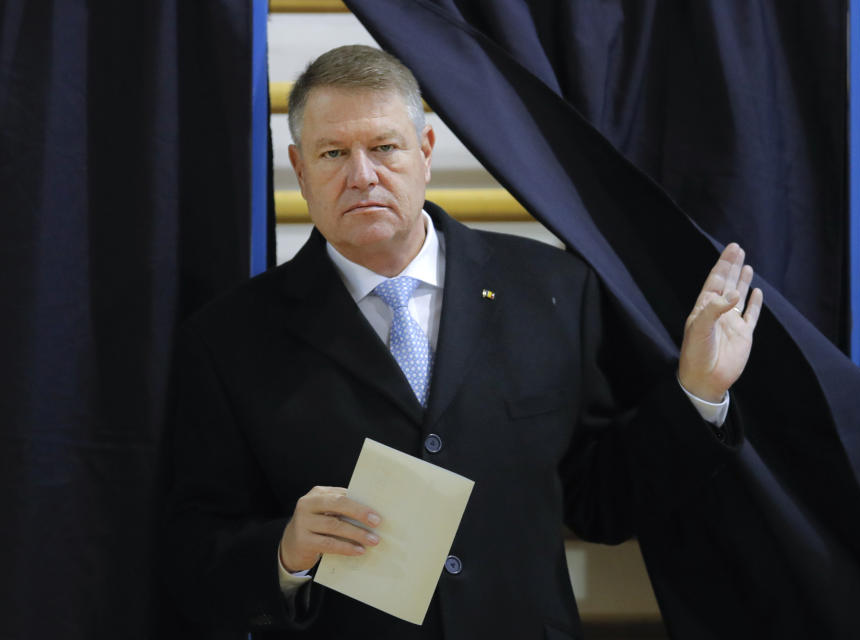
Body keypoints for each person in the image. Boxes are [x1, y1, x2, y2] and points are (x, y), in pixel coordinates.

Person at [164, 45, 763, 639]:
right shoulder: (228, 339)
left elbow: (603, 505)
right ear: (300, 169)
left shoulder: (553, 291)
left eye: (384, 148)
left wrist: (698, 394)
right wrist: (285, 554)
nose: (362, 175)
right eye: (333, 153)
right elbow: (193, 555)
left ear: (425, 152)